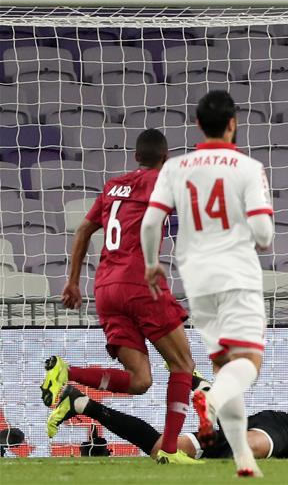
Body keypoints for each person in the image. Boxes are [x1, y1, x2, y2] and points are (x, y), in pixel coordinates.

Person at [42, 128, 198, 465]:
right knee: (183, 364)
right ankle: (170, 451)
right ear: (165, 158)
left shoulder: (112, 187)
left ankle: (66, 372)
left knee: (140, 380)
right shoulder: (161, 180)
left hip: (105, 289)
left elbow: (83, 230)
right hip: (139, 284)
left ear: (136, 157)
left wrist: (73, 282)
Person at [140, 90, 274, 477]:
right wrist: (256, 234)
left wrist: (151, 265)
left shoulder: (175, 168)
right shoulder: (248, 168)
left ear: (198, 124)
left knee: (224, 368)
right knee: (247, 364)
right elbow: (264, 234)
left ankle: (244, 459)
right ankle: (210, 401)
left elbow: (150, 223)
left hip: (197, 279)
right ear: (233, 124)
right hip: (237, 275)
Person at [49, 374, 288, 461]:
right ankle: (213, 403)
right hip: (283, 434)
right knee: (247, 449)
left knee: (162, 449)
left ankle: (83, 405)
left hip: (274, 422)